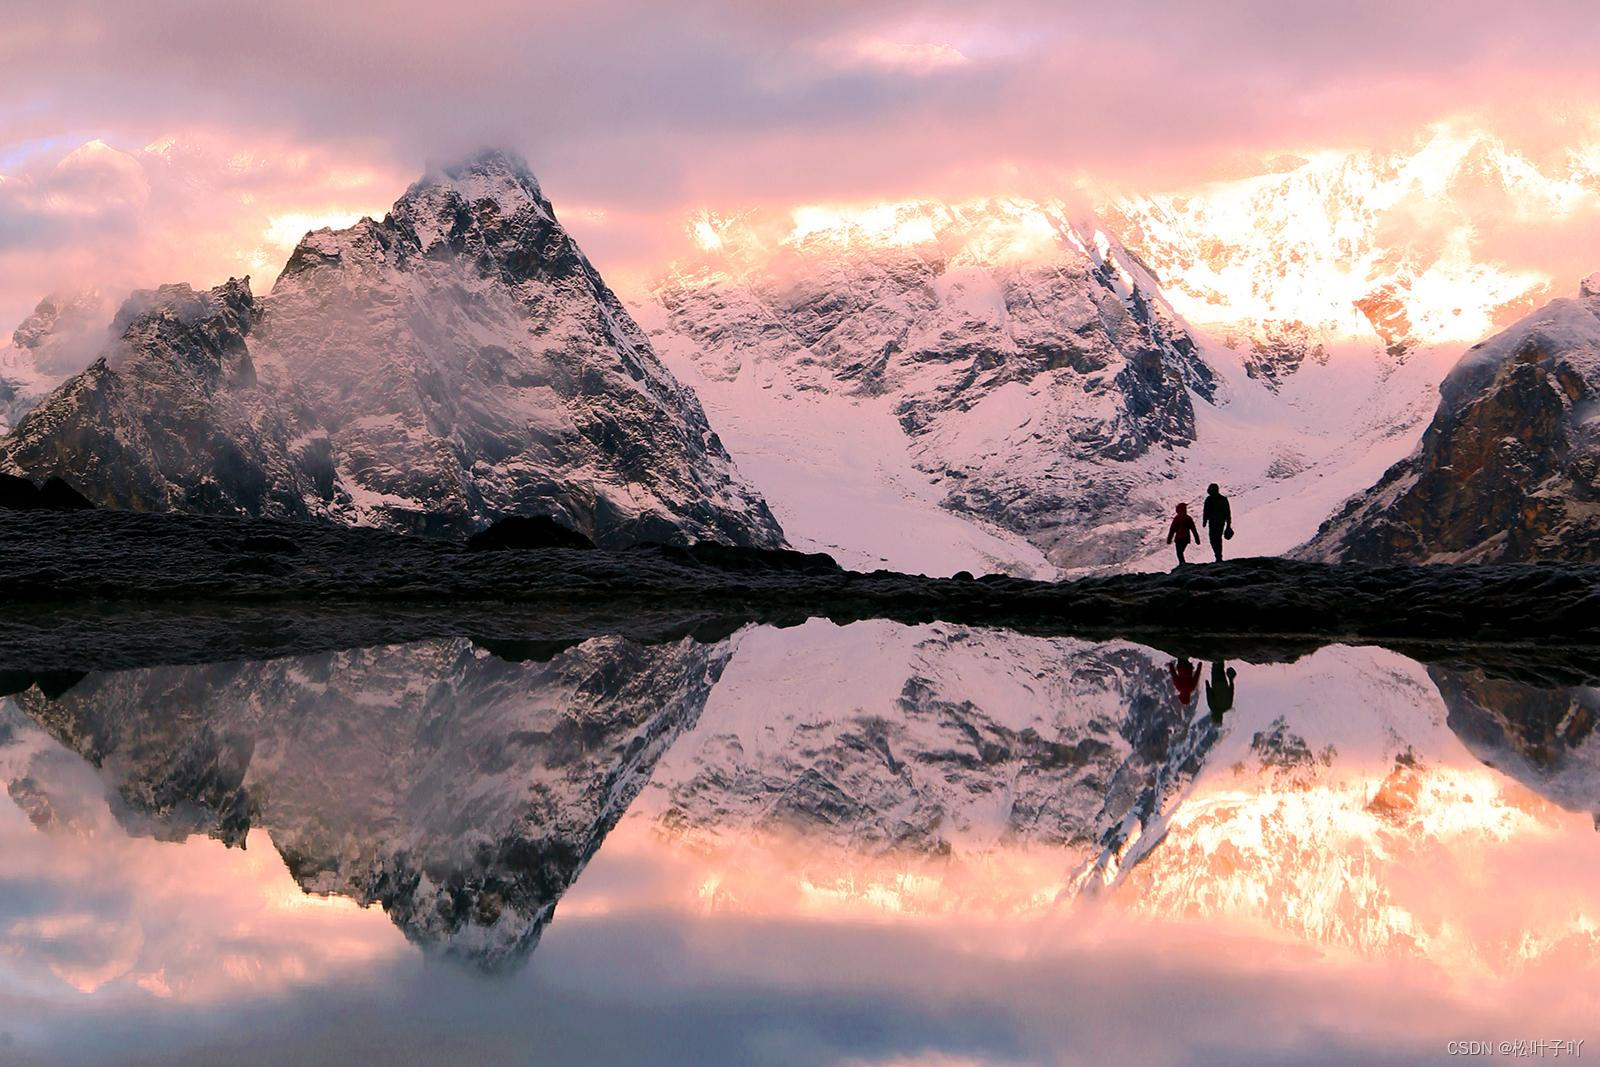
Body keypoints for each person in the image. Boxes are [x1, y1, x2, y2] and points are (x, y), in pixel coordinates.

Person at [1202, 483, 1233, 562]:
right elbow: (1227, 513)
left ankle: (1218, 556)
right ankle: (1218, 556)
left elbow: (1206, 511)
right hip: (1220, 522)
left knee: (1213, 539)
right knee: (1218, 539)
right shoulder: (1223, 499)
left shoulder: (1209, 499)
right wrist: (1228, 524)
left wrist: (1205, 521)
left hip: (1213, 522)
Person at [1205, 660, 1237, 725]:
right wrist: (1207, 685)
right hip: (1215, 683)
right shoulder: (1213, 706)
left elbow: (1231, 692)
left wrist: (1231, 681)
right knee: (1215, 667)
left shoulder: (1228, 706)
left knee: (1220, 668)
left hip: (1224, 683)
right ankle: (1217, 654)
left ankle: (1221, 657)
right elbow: (1209, 695)